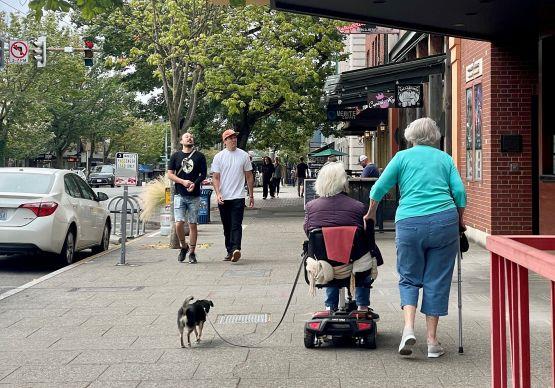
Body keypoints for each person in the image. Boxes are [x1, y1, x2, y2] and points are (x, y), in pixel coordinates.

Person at [364, 117, 466, 358]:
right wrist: (460, 219)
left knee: (409, 277)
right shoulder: (445, 158)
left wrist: (370, 213)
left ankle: (408, 328)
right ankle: (432, 341)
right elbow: (459, 192)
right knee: (437, 279)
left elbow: (378, 188)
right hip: (444, 221)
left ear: (411, 137)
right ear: (435, 137)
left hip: (409, 222)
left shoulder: (401, 158)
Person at [304, 162, 380, 320]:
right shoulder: (358, 206)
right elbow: (366, 236)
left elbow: (308, 232)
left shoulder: (311, 207)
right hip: (354, 264)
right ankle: (362, 306)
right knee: (366, 253)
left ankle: (330, 305)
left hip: (325, 266)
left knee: (328, 256)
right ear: (344, 182)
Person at [211, 129, 255, 262]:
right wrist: (218, 194)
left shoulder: (243, 155)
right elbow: (216, 177)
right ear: (224, 141)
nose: (233, 139)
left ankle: (236, 249)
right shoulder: (219, 157)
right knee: (227, 226)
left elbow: (249, 176)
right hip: (223, 197)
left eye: (235, 137)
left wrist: (251, 195)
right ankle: (230, 250)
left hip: (238, 196)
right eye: (230, 138)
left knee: (236, 224)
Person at [168, 132, 207, 264]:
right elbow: (170, 174)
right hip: (179, 194)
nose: (189, 138)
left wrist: (194, 184)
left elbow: (203, 174)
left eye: (191, 136)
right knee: (178, 223)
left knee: (193, 224)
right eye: (186, 137)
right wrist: (183, 182)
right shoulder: (176, 156)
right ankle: (183, 246)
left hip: (194, 196)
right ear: (181, 141)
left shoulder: (199, 156)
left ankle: (192, 252)